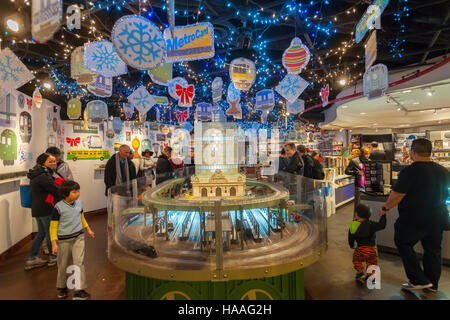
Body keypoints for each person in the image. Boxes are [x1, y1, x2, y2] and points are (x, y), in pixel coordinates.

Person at [379, 138, 449, 292]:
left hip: (413, 218)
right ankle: (432, 284)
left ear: (412, 152)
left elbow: (398, 194)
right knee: (433, 250)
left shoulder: (410, 171)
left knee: (403, 242)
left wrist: (385, 207)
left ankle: (418, 279)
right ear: (430, 152)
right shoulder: (443, 170)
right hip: (438, 217)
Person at [50, 181, 95, 300]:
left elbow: (81, 217)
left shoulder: (79, 203)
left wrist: (88, 229)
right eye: (74, 192)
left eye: (78, 191)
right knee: (63, 264)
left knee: (79, 263)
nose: (78, 194)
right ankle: (62, 287)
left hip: (78, 237)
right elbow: (53, 226)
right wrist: (54, 243)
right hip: (63, 240)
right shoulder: (58, 207)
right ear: (65, 194)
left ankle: (79, 290)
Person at [25, 153, 60, 270]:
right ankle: (53, 256)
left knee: (41, 233)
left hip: (37, 208)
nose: (54, 163)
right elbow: (55, 190)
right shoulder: (43, 176)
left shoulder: (36, 173)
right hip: (45, 208)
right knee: (50, 233)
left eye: (54, 161)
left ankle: (32, 257)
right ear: (43, 162)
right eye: (50, 161)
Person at [348, 204, 386, 283]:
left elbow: (350, 237)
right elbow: (382, 225)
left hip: (360, 249)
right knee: (372, 263)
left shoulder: (353, 224)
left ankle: (360, 273)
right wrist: (383, 216)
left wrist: (351, 245)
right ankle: (371, 277)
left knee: (356, 260)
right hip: (372, 249)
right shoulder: (371, 224)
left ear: (357, 214)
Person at [345, 147, 370, 212]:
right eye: (366, 154)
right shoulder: (354, 161)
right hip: (359, 185)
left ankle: (364, 221)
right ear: (361, 153)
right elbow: (347, 171)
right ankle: (356, 220)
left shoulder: (369, 161)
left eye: (368, 153)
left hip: (368, 185)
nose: (367, 155)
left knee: (367, 204)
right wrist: (356, 172)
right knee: (358, 204)